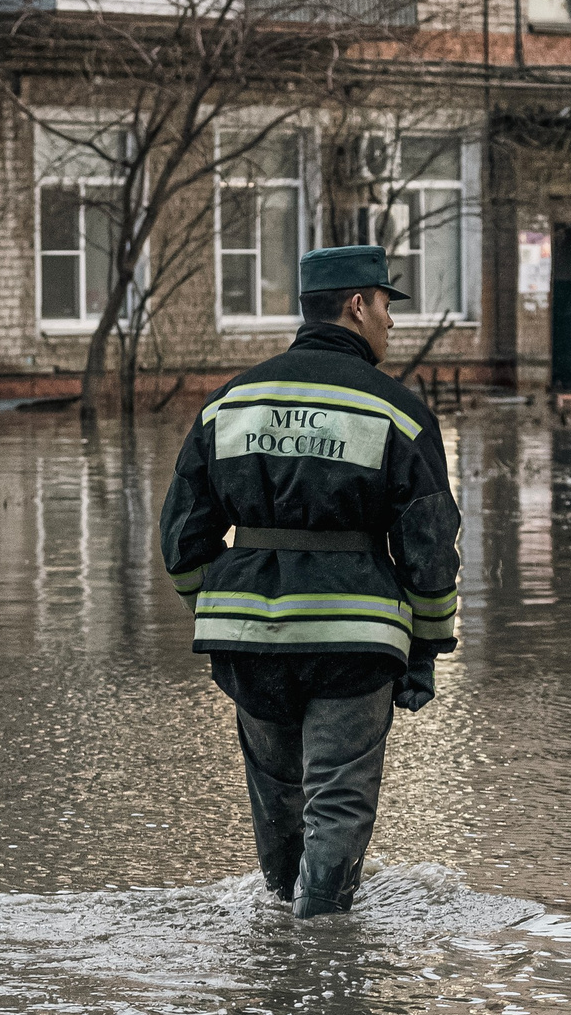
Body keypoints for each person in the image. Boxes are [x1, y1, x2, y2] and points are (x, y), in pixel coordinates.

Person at [160, 243, 463, 919]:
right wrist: (425, 649)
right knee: (338, 801)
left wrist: (221, 608)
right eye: (386, 303)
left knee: (279, 801)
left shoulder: (227, 405)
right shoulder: (399, 413)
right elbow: (430, 551)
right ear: (357, 304)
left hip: (248, 646)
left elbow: (181, 540)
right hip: (351, 644)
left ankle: (280, 946)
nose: (390, 320)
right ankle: (324, 959)